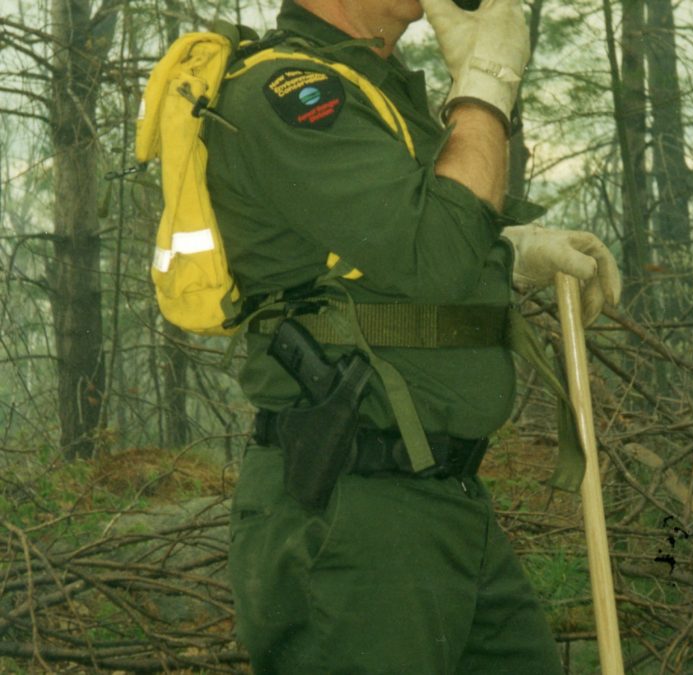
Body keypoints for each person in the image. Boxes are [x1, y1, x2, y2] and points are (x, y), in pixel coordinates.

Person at [204, 0, 621, 672]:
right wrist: (487, 82)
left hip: (440, 502)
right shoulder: (286, 95)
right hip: (354, 516)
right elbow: (438, 250)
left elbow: (395, 250)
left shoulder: (375, 85)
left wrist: (509, 251)